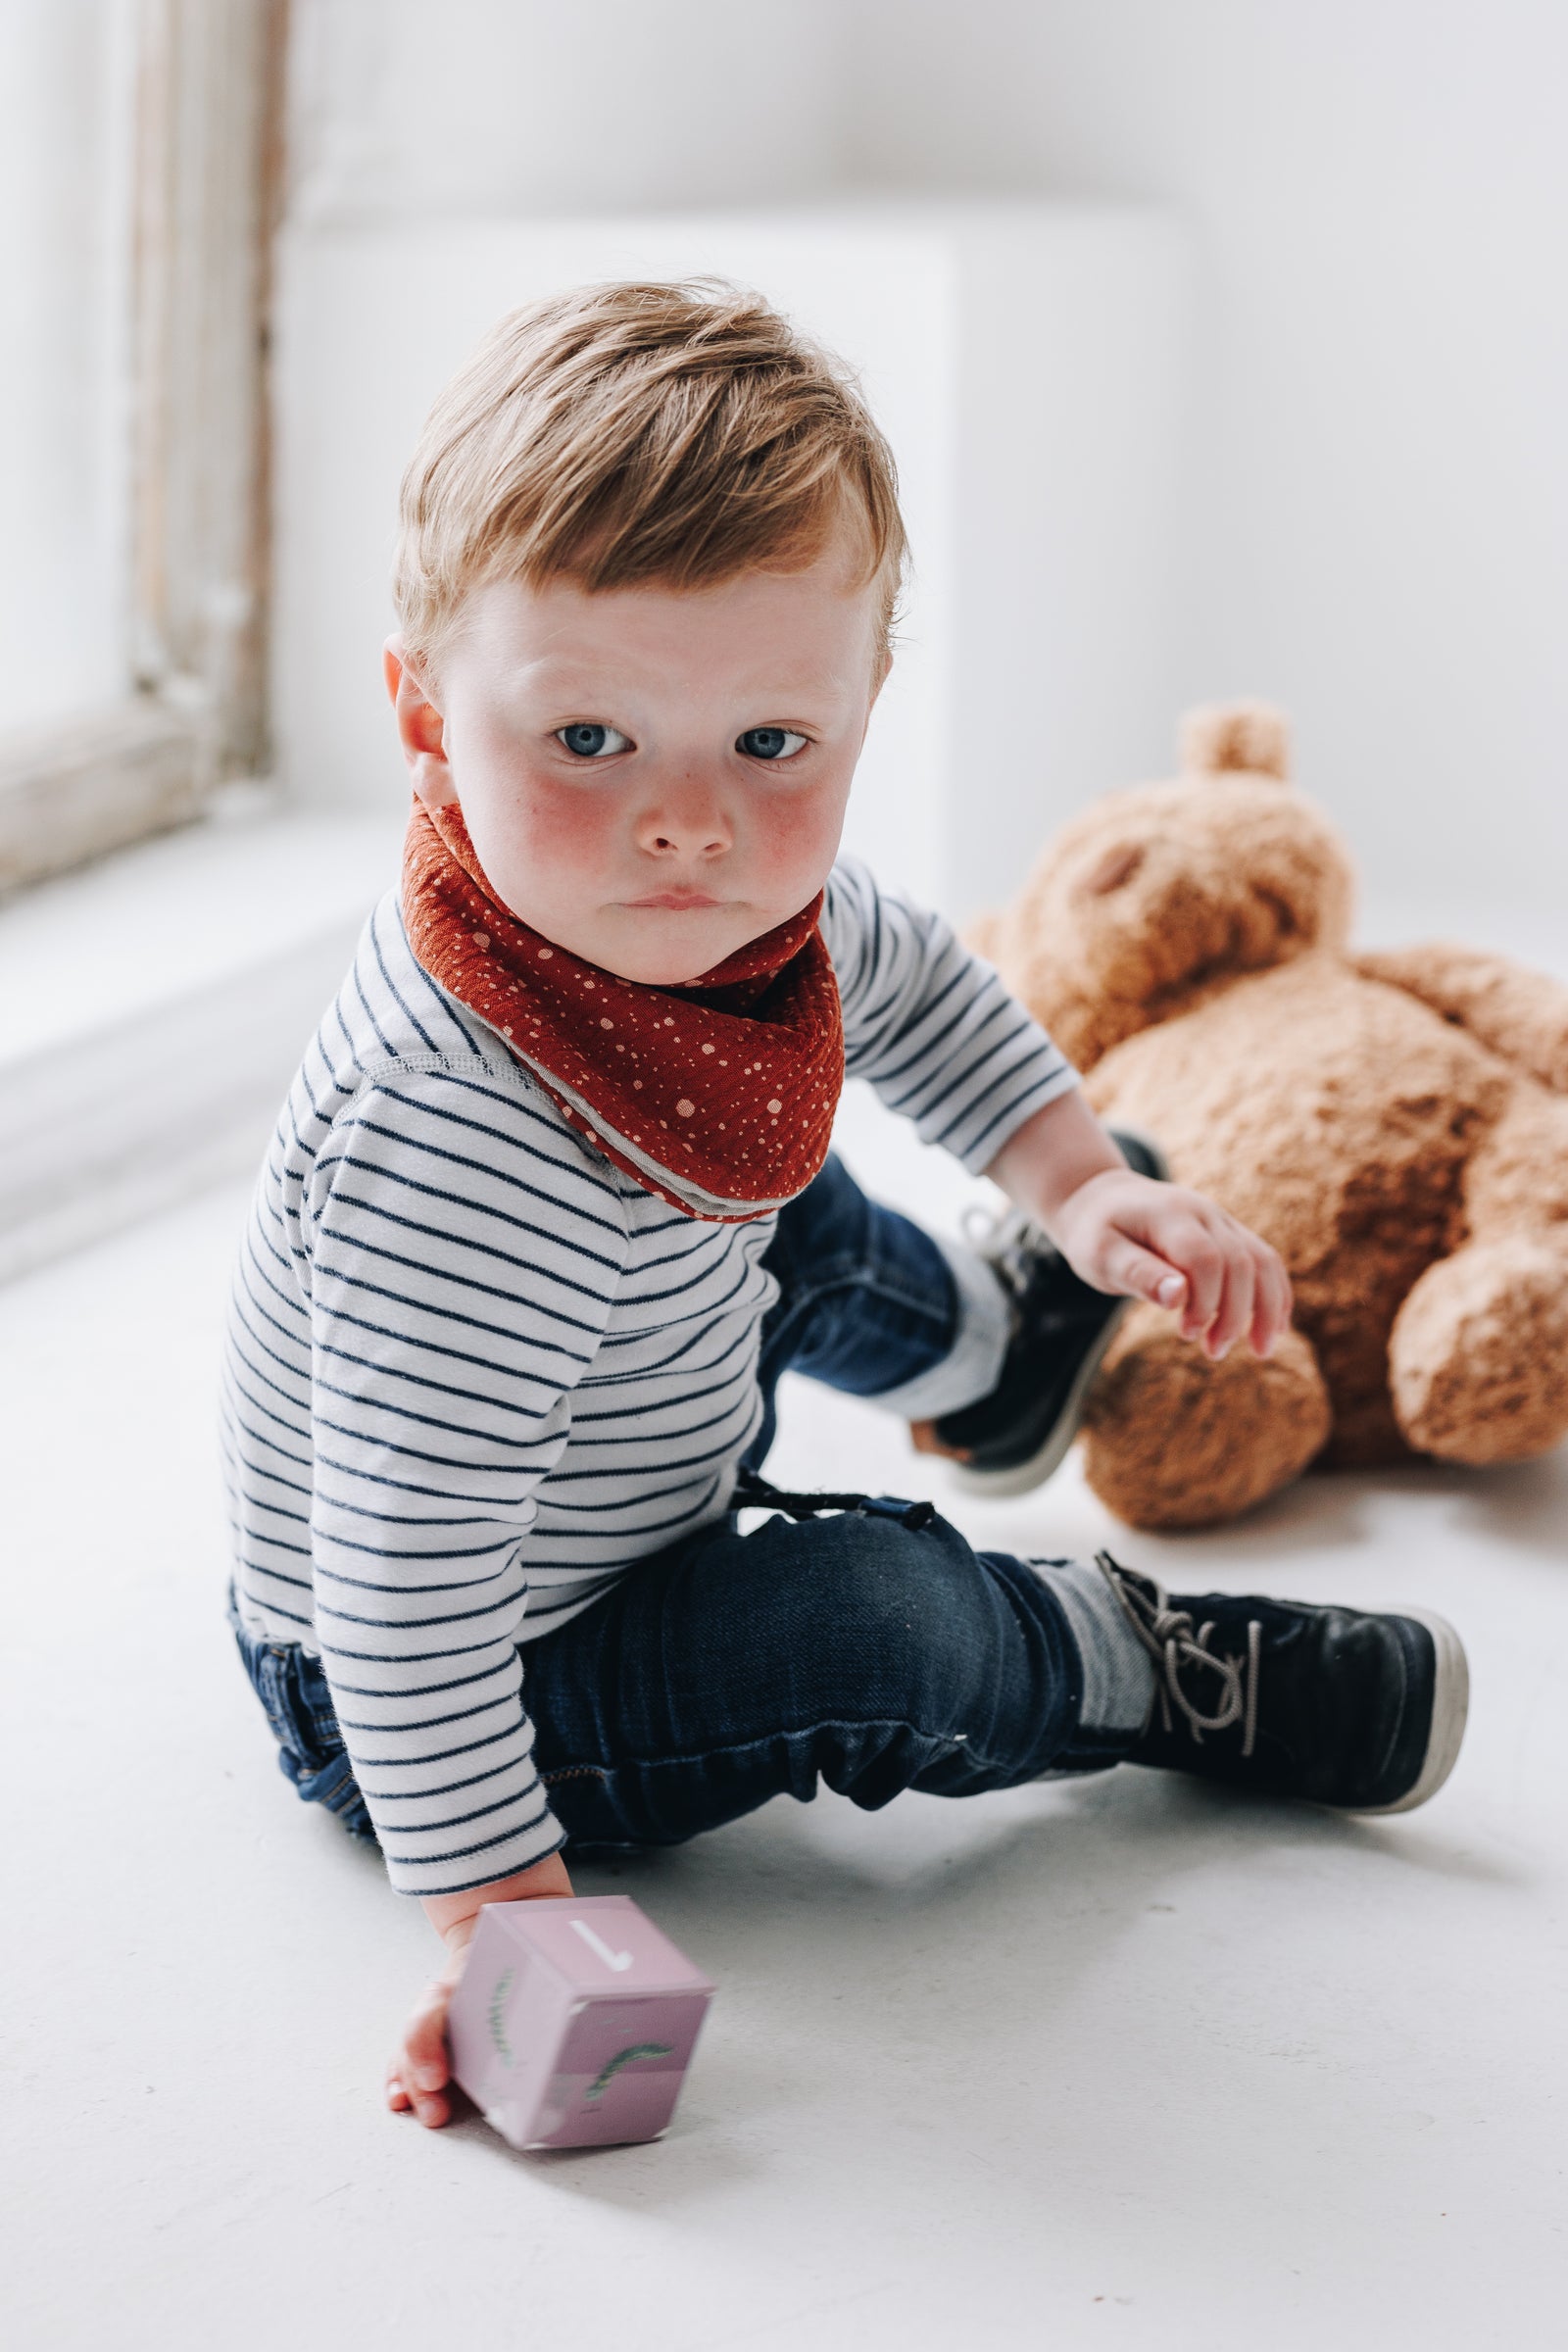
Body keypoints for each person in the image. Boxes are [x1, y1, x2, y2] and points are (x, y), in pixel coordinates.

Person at [220, 280, 1468, 2132]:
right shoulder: (454, 1152)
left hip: (619, 1423)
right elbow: (405, 1599)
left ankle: (989, 1351)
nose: (689, 827)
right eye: (587, 743)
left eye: (772, 749)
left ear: (862, 703)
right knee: (869, 1617)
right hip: (473, 1671)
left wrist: (1068, 1179)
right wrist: (498, 1918)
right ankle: (1139, 1669)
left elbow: (905, 985)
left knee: (773, 1181)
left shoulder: (712, 906)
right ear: (419, 706)